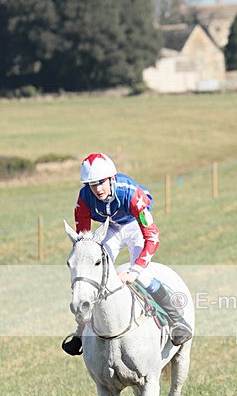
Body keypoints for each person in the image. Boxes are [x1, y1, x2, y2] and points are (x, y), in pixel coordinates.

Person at [62, 152, 192, 355]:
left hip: (135, 227)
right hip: (111, 228)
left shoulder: (131, 194)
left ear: (112, 179)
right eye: (91, 184)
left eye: (101, 183)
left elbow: (153, 237)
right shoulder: (84, 199)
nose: (97, 189)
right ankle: (80, 332)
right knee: (91, 274)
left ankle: (177, 321)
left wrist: (134, 271)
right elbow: (85, 244)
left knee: (144, 276)